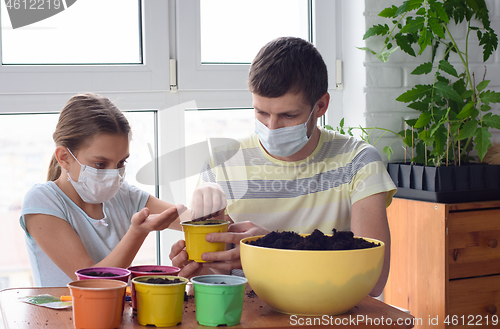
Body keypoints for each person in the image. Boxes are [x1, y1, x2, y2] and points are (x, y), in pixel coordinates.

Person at [170, 37, 397, 297]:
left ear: (320, 105)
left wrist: (272, 248)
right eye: (261, 113)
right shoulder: (222, 163)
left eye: (289, 115)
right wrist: (201, 269)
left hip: (329, 315)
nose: (272, 127)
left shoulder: (358, 161)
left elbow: (373, 278)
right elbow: (223, 273)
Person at [20, 93, 186, 287]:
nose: (113, 175)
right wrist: (138, 232)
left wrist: (208, 203)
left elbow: (195, 220)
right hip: (60, 316)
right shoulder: (42, 201)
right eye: (100, 164)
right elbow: (94, 284)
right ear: (64, 157)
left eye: (121, 162)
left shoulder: (125, 196)